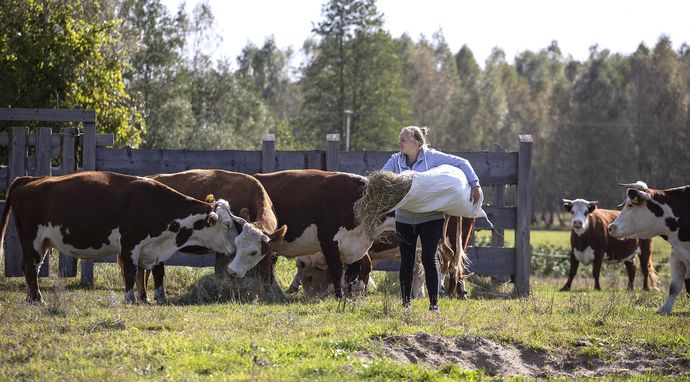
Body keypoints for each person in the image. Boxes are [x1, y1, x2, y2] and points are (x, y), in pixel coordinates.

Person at [381, 126, 481, 312]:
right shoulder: (395, 160)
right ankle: (405, 304)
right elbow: (383, 177)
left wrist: (474, 184)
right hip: (405, 218)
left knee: (429, 258)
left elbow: (462, 162)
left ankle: (434, 304)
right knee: (407, 259)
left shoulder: (433, 158)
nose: (400, 142)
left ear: (417, 143)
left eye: (404, 139)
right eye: (399, 139)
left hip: (431, 218)